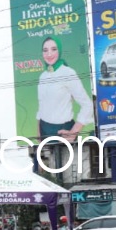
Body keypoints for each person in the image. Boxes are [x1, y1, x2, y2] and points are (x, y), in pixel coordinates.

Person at [36, 36, 94, 168]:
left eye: (53, 49)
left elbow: (87, 104)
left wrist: (74, 132)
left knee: (69, 172)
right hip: (44, 132)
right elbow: (41, 107)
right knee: (48, 173)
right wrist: (39, 135)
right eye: (45, 50)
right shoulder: (43, 76)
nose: (49, 54)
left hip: (63, 131)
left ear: (60, 51)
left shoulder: (68, 73)